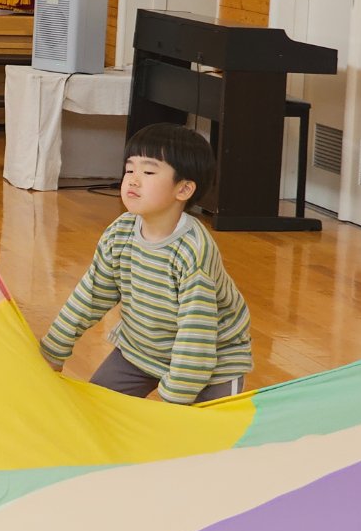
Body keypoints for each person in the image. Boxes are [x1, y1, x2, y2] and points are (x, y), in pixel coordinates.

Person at [40, 123, 253, 404]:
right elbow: (90, 296)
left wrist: (173, 401)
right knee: (95, 410)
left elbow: (196, 336)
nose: (133, 180)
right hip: (140, 349)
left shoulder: (193, 251)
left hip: (212, 362)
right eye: (130, 170)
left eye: (149, 172)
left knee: (211, 428)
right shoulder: (120, 233)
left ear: (184, 189)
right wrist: (53, 351)